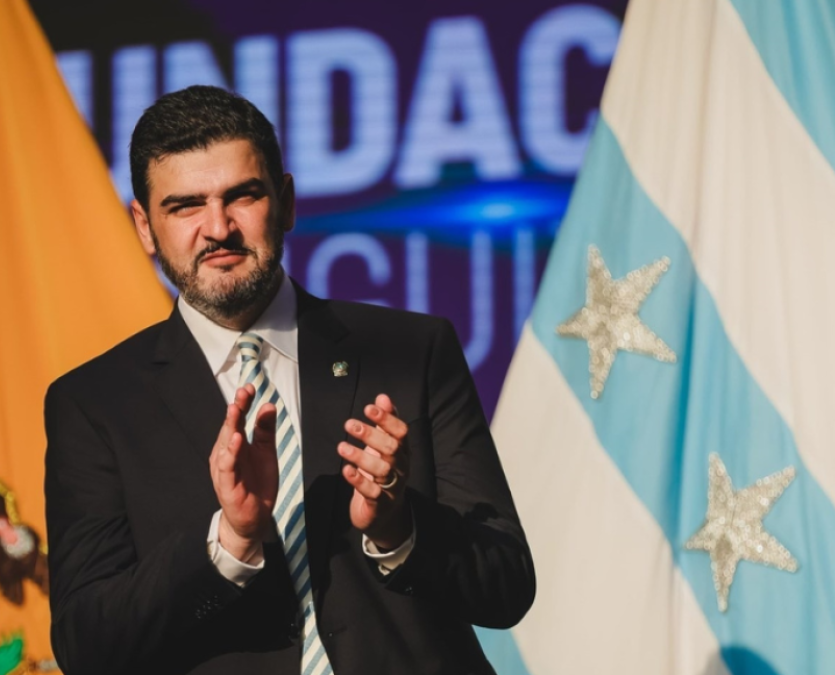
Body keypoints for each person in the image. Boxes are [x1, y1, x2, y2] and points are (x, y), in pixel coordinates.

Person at [44, 85, 535, 675]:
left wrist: (398, 528)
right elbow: (87, 647)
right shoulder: (94, 404)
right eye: (185, 206)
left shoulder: (412, 351)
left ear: (287, 200)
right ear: (145, 226)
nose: (218, 227)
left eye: (242, 196)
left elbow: (507, 584)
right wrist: (227, 542)